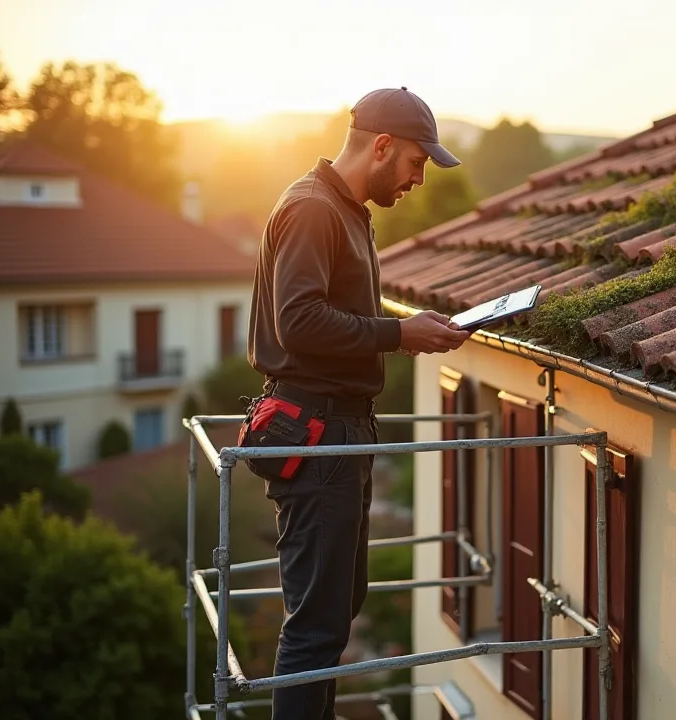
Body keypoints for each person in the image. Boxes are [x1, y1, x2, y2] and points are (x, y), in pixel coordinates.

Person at [245, 87, 471, 720]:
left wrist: (406, 329)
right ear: (382, 146)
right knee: (316, 627)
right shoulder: (313, 209)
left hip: (339, 432)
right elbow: (299, 323)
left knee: (338, 608)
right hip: (319, 434)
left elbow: (332, 314)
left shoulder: (344, 210)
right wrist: (399, 334)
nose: (418, 180)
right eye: (416, 164)